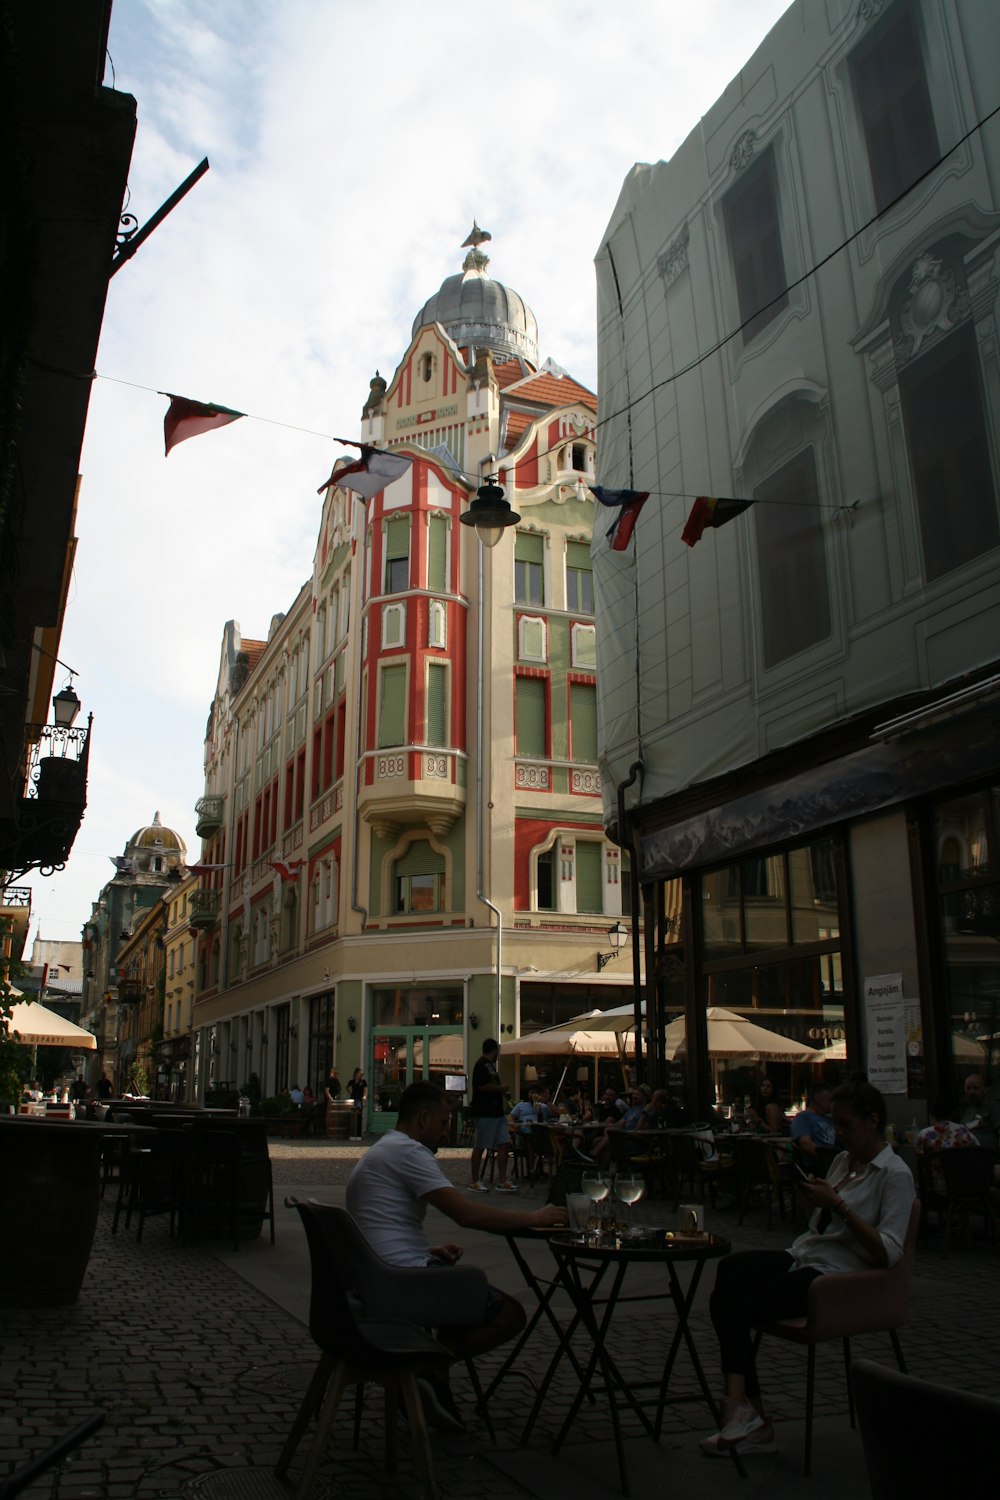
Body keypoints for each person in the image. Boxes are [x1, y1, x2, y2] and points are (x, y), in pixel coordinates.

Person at [699, 1076, 915, 1458]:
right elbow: (816, 1227)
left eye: (846, 1124)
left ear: (871, 1121)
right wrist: (813, 1199)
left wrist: (839, 1206)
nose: (838, 1132)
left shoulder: (895, 1175)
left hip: (839, 1276)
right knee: (732, 1271)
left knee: (734, 1301)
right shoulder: (842, 1163)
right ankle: (744, 1412)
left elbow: (889, 1253)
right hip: (806, 1254)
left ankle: (744, 1413)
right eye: (835, 1123)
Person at [346, 1081, 565, 1427]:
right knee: (510, 1315)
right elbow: (466, 1214)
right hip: (400, 1285)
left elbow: (376, 1223)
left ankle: (432, 1388)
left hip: (379, 1276)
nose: (447, 1133)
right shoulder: (409, 1152)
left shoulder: (385, 1149)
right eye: (444, 1123)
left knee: (458, 1308)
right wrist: (533, 1218)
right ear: (422, 1118)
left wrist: (426, 1249)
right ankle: (423, 1370)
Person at [468, 1039, 516, 1193]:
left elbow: (493, 1086)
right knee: (481, 1145)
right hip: (485, 1112)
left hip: (497, 1112)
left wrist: (503, 1092)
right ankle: (475, 1181)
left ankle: (502, 1180)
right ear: (494, 1050)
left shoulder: (491, 1067)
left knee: (504, 1143)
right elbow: (480, 1086)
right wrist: (501, 1088)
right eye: (497, 1051)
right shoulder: (481, 1065)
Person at [916, 1097, 976, 1196]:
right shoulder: (964, 1131)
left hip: (938, 1187)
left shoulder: (924, 1135)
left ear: (932, 1115)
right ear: (952, 1113)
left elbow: (920, 1161)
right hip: (964, 1185)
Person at [790, 1083, 836, 1159]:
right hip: (820, 1163)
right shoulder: (802, 1118)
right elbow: (805, 1143)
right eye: (830, 1100)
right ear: (818, 1099)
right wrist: (827, 1158)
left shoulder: (830, 1118)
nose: (832, 1103)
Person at [959, 1074, 1000, 1150]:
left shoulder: (992, 1107)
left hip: (987, 1155)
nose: (972, 1092)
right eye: (968, 1088)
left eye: (976, 1088)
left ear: (984, 1089)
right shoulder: (966, 1111)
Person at [347, 1066, 367, 1139]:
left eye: (361, 1074)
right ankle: (352, 1133)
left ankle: (358, 1134)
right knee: (352, 1116)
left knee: (358, 1115)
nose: (360, 1075)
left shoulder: (363, 1082)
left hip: (359, 1099)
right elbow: (347, 1087)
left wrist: (364, 1097)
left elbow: (365, 1090)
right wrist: (350, 1093)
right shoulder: (352, 1081)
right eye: (359, 1074)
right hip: (352, 1099)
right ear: (356, 1074)